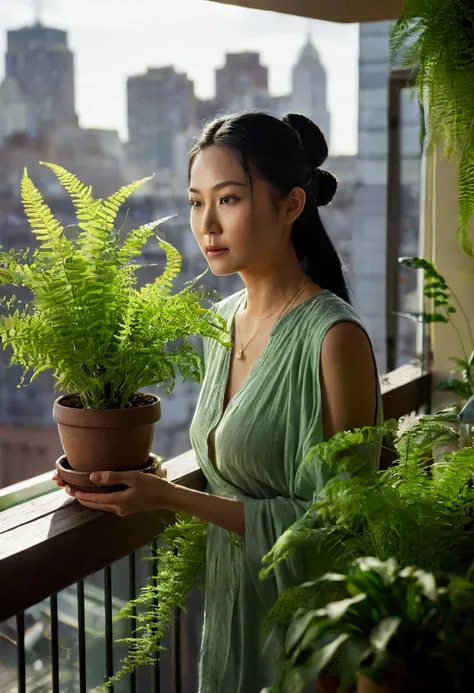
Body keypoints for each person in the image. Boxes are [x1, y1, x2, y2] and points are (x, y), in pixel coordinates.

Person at [54, 111, 382, 693]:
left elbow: (337, 527)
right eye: (195, 201)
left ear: (291, 205)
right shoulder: (219, 323)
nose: (207, 224)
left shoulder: (335, 340)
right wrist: (141, 475)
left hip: (309, 637)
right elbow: (229, 464)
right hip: (231, 616)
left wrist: (167, 497)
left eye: (228, 199)